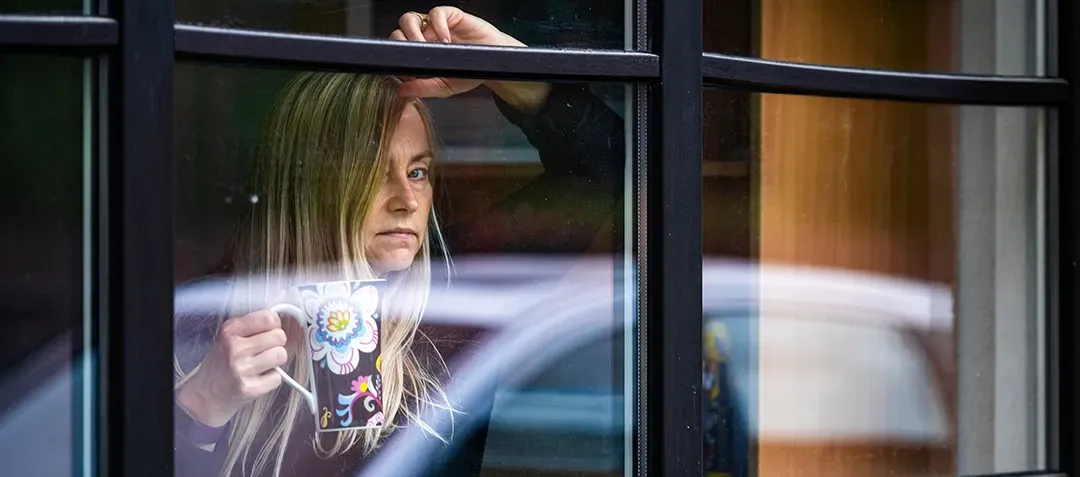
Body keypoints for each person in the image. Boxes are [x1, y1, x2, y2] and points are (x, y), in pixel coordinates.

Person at [173, 7, 624, 477]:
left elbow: (607, 166)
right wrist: (201, 409)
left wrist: (506, 67)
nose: (406, 200)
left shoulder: (452, 303)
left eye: (417, 171)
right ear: (306, 182)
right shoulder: (208, 324)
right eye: (371, 172)